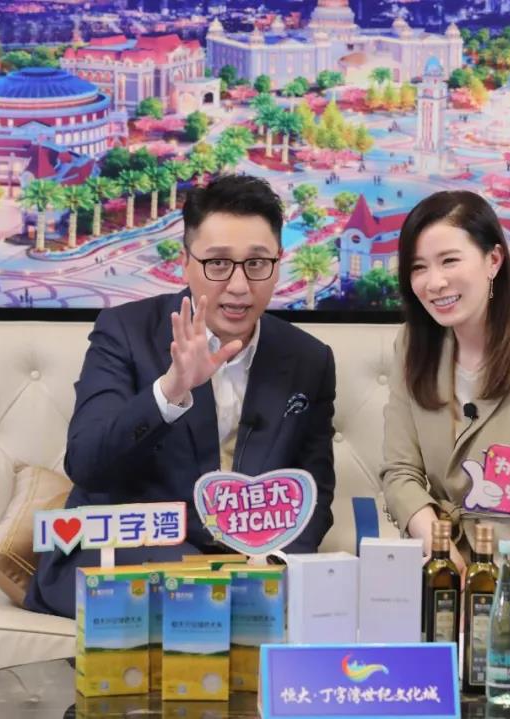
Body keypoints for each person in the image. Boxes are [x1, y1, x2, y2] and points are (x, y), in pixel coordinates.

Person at [25, 175, 337, 618]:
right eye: (218, 263)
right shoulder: (125, 332)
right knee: (199, 599)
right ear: (185, 263)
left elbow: (313, 490)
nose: (239, 285)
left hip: (245, 571)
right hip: (128, 555)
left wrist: (275, 565)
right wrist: (171, 390)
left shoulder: (309, 359)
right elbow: (88, 463)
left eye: (257, 263)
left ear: (278, 262)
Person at [379, 190, 510, 575]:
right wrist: (441, 550)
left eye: (449, 261)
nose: (434, 282)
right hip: (438, 559)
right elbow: (399, 473)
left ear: (493, 260)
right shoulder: (411, 346)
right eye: (419, 267)